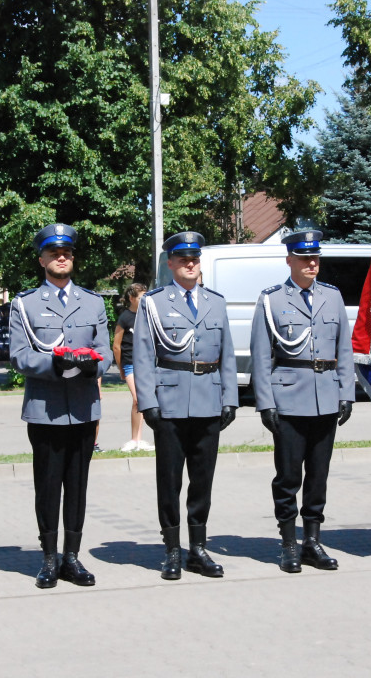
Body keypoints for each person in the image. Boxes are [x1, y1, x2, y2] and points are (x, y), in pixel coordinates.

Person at [9, 223, 112, 589]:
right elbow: (19, 356)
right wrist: (55, 364)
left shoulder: (93, 301)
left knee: (78, 486)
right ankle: (49, 557)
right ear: (42, 260)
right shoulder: (25, 304)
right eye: (54, 253)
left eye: (66, 252)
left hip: (84, 407)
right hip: (45, 408)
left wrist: (91, 365)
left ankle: (73, 556)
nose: (61, 257)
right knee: (49, 486)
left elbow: (106, 356)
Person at [133, 231, 238, 580]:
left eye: (194, 258)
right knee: (170, 480)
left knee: (202, 480)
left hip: (209, 400)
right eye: (182, 259)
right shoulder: (153, 303)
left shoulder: (216, 302)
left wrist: (230, 398)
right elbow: (144, 356)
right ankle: (172, 550)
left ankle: (198, 549)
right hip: (170, 402)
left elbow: (226, 355)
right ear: (171, 263)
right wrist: (148, 403)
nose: (190, 264)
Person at [249, 230, 354, 573]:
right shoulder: (272, 300)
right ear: (289, 260)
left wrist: (345, 392)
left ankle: (312, 541)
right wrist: (265, 402)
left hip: (325, 396)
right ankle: (288, 543)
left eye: (316, 258)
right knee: (289, 476)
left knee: (318, 476)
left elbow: (344, 349)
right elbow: (262, 356)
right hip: (289, 397)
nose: (312, 263)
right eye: (305, 258)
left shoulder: (332, 297)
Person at [113, 282, 152, 452]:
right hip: (129, 364)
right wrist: (121, 368)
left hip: (146, 364)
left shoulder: (148, 315)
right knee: (137, 399)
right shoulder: (125, 317)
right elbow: (116, 345)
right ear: (131, 298)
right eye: (141, 297)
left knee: (142, 401)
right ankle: (133, 439)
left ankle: (139, 439)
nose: (145, 300)